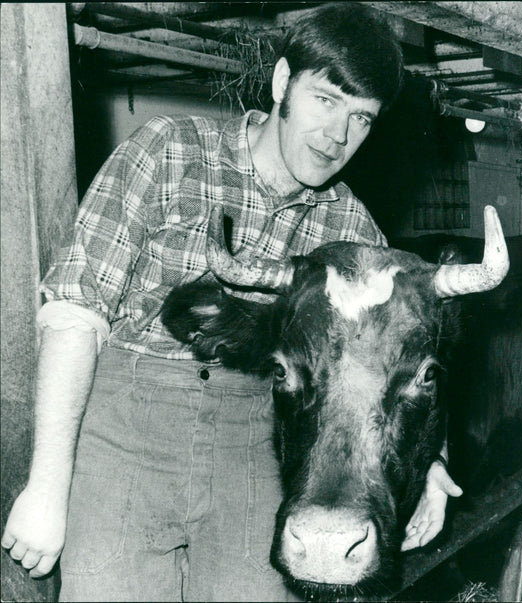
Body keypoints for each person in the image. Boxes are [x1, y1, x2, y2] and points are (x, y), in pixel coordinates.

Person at [1, 4, 461, 601]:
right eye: (326, 99)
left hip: (253, 443)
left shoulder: (353, 227)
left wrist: (431, 463)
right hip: (124, 434)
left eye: (362, 119)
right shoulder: (168, 150)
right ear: (280, 84)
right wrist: (45, 487)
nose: (337, 136)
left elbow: (402, 365)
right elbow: (73, 318)